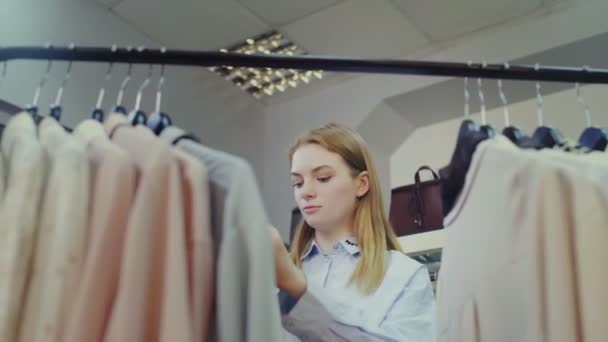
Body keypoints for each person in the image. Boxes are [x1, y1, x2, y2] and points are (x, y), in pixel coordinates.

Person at [269, 123, 437, 341]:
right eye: (297, 183)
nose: (305, 192)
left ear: (361, 184)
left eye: (323, 178)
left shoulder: (405, 276)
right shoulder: (275, 279)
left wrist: (296, 290)